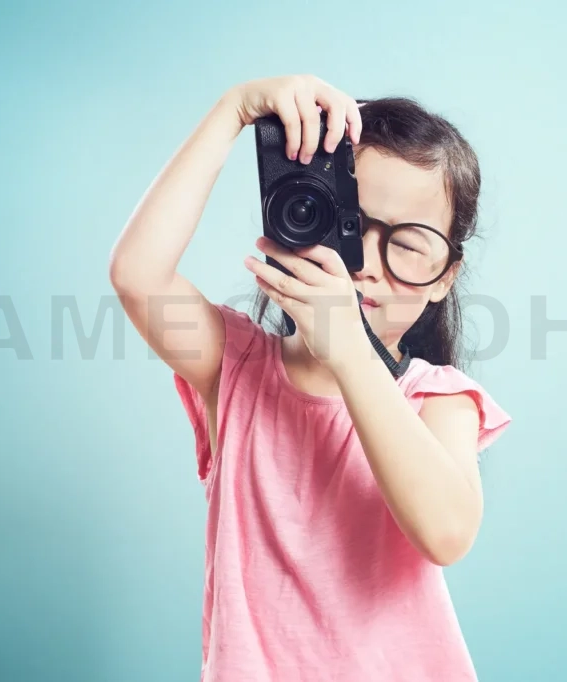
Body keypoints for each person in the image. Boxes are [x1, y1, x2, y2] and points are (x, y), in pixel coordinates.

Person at [109, 74, 512, 682]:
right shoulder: (236, 369)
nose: (368, 268)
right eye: (348, 226)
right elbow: (137, 274)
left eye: (409, 245)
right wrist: (235, 109)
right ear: (300, 218)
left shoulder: (436, 400)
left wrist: (352, 354)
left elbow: (448, 534)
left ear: (444, 277)